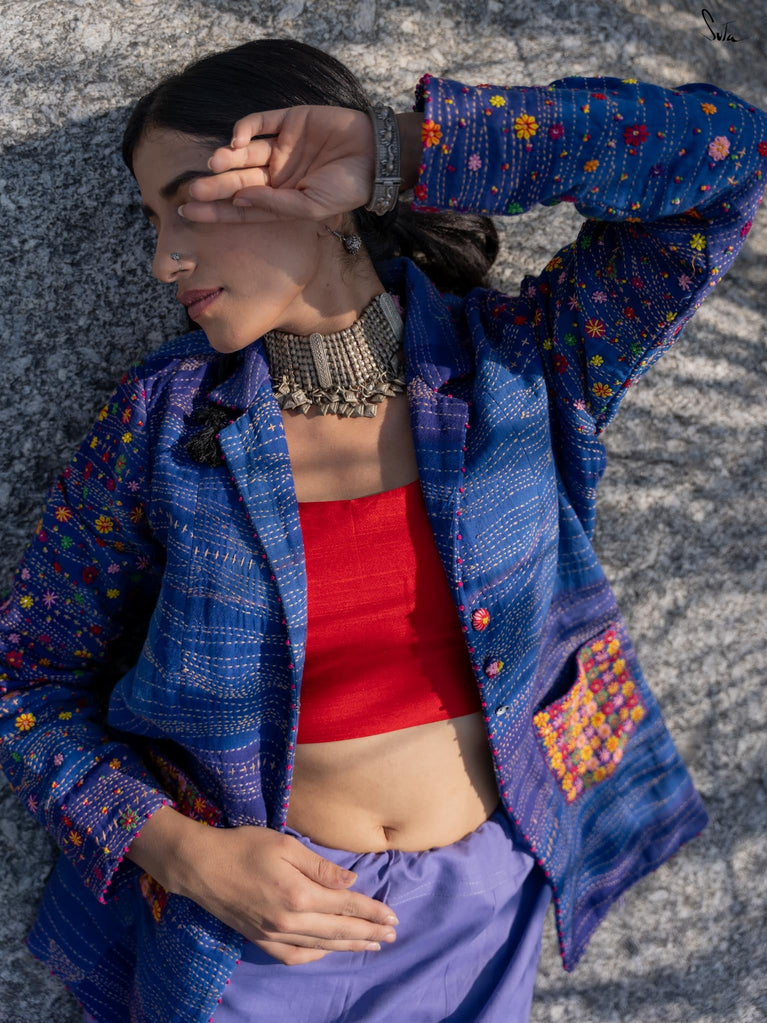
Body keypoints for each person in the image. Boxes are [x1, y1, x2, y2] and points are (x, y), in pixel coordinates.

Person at [1, 36, 765, 1023]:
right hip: (253, 938)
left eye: (189, 206)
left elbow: (728, 158)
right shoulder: (163, 423)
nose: (164, 260)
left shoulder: (522, 364)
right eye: (154, 220)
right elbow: (25, 676)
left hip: (482, 917)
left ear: (313, 186)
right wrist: (178, 851)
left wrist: (401, 148)